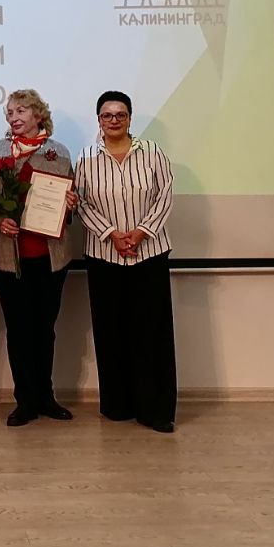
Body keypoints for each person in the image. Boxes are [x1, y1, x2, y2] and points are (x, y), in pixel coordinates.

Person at [0, 90, 78, 426]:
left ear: (38, 114)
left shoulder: (59, 152)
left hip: (50, 258)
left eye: (20, 111)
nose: (13, 117)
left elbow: (69, 199)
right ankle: (25, 401)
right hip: (7, 259)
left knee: (44, 330)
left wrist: (71, 203)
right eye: (9, 112)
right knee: (19, 330)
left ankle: (46, 397)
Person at [73, 91, 177, 433]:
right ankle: (118, 406)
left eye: (120, 114)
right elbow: (81, 202)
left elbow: (165, 194)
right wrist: (112, 234)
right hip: (104, 256)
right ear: (98, 120)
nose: (114, 120)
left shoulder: (152, 152)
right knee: (111, 332)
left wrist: (141, 232)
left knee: (152, 334)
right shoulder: (86, 158)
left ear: (130, 118)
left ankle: (156, 410)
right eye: (107, 115)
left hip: (149, 254)